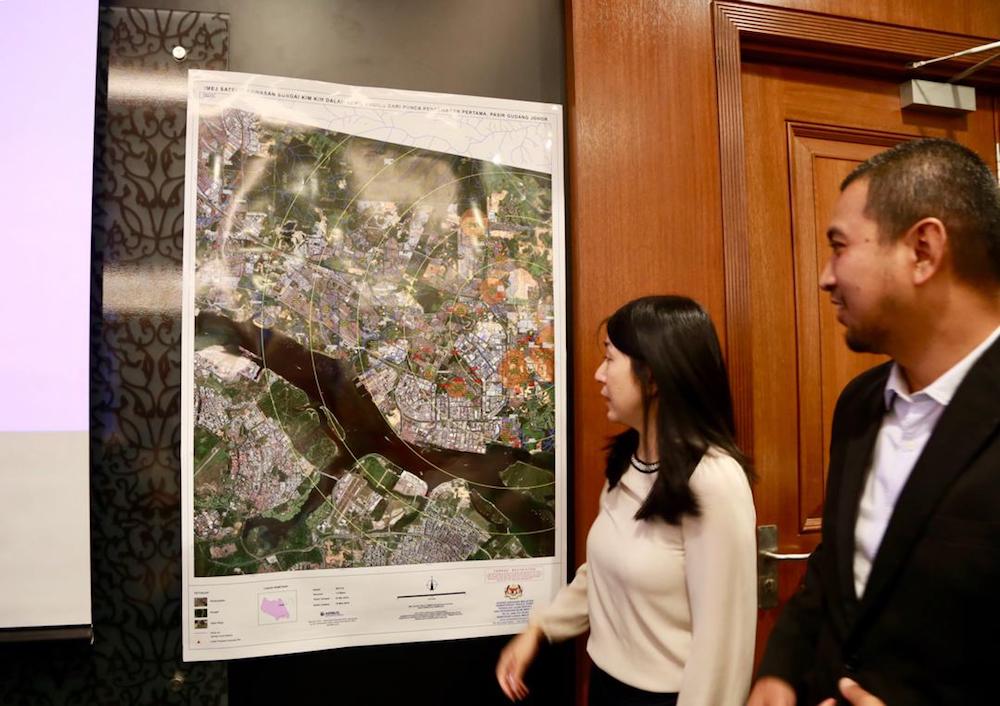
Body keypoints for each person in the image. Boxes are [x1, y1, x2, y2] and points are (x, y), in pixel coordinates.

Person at [748, 137, 1000, 706]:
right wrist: (780, 671)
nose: (825, 278)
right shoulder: (860, 404)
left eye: (838, 247)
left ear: (923, 250)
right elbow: (838, 568)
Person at [496, 295, 757, 706]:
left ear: (652, 376)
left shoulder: (714, 481)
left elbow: (723, 649)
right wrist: (538, 628)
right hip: (606, 686)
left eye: (610, 358)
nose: (599, 375)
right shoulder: (627, 463)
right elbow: (600, 573)